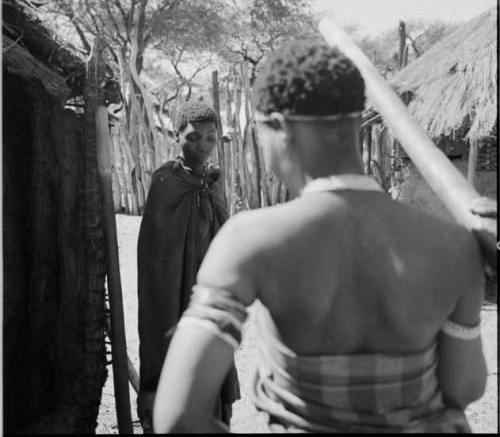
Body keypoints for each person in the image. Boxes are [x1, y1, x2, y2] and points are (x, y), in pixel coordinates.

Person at [152, 39, 487, 433]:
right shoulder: (455, 243)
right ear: (354, 125)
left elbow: (177, 418)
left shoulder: (250, 239)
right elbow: (464, 388)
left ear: (275, 127)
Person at [136, 101, 239, 433]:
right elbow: (154, 251)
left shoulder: (214, 179)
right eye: (194, 137)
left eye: (210, 138)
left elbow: (224, 235)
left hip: (207, 293)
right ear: (177, 136)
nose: (203, 145)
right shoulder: (165, 181)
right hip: (171, 290)